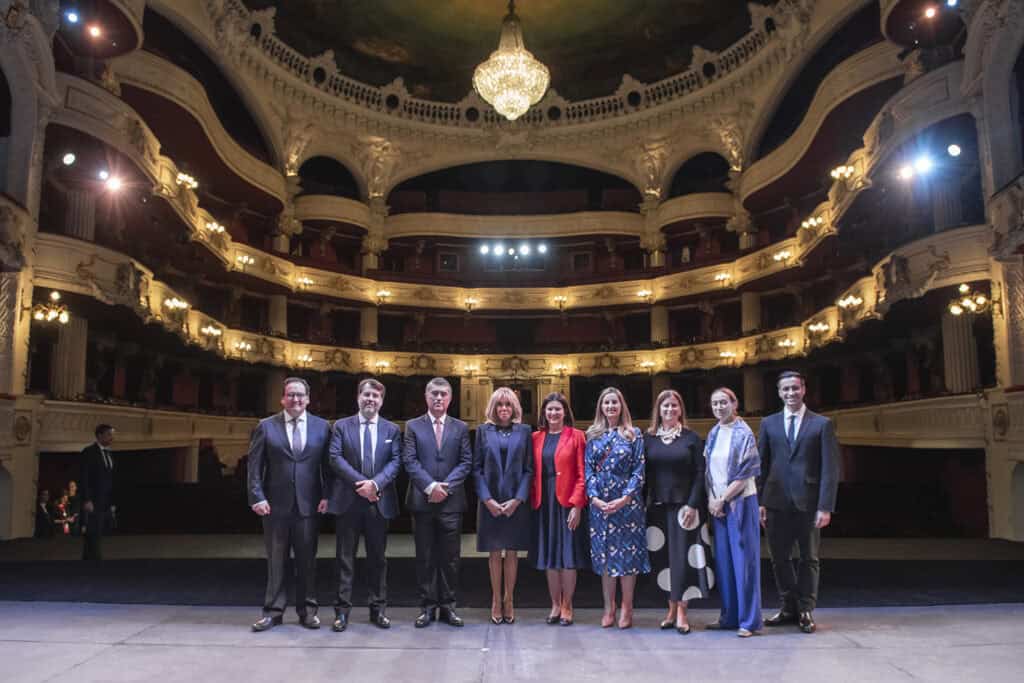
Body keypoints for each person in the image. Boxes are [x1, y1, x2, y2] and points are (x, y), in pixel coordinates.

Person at [757, 370, 840, 634]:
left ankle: (805, 609)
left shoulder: (822, 424)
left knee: (809, 558)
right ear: (779, 393)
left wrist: (825, 506)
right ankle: (788, 607)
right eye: (786, 389)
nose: (790, 393)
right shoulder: (768, 423)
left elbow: (830, 469)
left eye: (795, 388)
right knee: (778, 559)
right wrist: (759, 502)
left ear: (803, 389)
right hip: (775, 503)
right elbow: (762, 464)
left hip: (809, 502)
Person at [247, 377, 330, 632]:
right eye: (291, 395)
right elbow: (255, 466)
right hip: (274, 507)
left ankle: (308, 612)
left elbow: (327, 466)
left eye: (300, 395)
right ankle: (273, 612)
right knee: (276, 562)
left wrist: (327, 495)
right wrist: (257, 497)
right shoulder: (266, 426)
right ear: (282, 398)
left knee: (307, 562)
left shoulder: (322, 426)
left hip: (309, 506)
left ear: (308, 399)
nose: (296, 399)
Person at [326, 378, 402, 632]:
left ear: (382, 401)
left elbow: (395, 463)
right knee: (344, 559)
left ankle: (378, 610)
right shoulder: (340, 426)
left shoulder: (392, 430)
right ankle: (342, 613)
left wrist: (375, 485)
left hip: (378, 503)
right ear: (358, 397)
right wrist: (363, 484)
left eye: (376, 396)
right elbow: (335, 458)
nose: (371, 399)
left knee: (378, 560)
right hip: (348, 501)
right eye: (366, 395)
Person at [403, 377, 473, 628]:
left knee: (451, 558)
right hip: (422, 502)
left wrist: (445, 487)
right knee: (425, 557)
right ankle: (427, 607)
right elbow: (409, 461)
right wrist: (431, 486)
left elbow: (466, 462)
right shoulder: (412, 426)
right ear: (426, 396)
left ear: (450, 398)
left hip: (451, 503)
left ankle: (448, 607)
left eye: (443, 394)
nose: (438, 398)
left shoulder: (460, 427)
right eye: (434, 393)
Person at [644, 389, 710, 635]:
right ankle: (670, 609)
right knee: (664, 560)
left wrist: (693, 504)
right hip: (658, 507)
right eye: (665, 406)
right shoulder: (648, 438)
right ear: (658, 410)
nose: (669, 410)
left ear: (680, 409)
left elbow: (700, 473)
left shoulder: (691, 437)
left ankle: (683, 610)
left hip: (685, 508)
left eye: (674, 406)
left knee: (683, 560)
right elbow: (644, 476)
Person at [585, 387, 650, 629]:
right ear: (600, 407)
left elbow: (638, 470)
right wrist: (594, 498)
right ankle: (608, 607)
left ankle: (627, 607)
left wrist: (625, 498)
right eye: (606, 403)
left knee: (627, 556)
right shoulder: (592, 435)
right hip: (600, 504)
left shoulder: (634, 435)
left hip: (628, 504)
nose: (611, 407)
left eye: (615, 402)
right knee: (605, 557)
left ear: (622, 406)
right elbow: (588, 470)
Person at [704, 387, 763, 637]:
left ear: (734, 403)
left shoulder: (744, 431)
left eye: (723, 402)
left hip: (740, 502)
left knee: (744, 563)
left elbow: (746, 472)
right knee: (725, 564)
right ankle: (729, 616)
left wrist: (722, 499)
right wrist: (711, 499)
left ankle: (748, 621)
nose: (719, 407)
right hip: (718, 504)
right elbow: (708, 471)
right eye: (715, 403)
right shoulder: (714, 432)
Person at [474, 387, 533, 625]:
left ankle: (509, 599)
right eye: (500, 405)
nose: (504, 409)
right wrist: (487, 499)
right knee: (494, 552)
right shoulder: (482, 431)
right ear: (493, 408)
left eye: (508, 405)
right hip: (490, 500)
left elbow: (529, 470)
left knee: (512, 552)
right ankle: (496, 600)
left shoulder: (525, 431)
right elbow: (476, 469)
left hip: (515, 502)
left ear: (515, 408)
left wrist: (518, 499)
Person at [530, 392, 588, 626]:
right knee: (549, 557)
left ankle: (567, 604)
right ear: (544, 412)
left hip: (566, 503)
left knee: (567, 556)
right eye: (549, 409)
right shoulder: (535, 437)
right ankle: (554, 603)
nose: (553, 413)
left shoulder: (577, 436)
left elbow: (583, 474)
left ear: (565, 412)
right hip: (543, 503)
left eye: (558, 409)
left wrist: (577, 505)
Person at [80, 424, 116, 560]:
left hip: (105, 500)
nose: (112, 438)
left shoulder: (109, 453)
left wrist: (112, 502)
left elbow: (110, 478)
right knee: (93, 531)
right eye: (109, 434)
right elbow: (84, 477)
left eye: (112, 435)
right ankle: (94, 560)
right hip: (93, 500)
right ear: (100, 435)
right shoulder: (89, 452)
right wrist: (87, 499)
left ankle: (89, 559)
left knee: (98, 531)